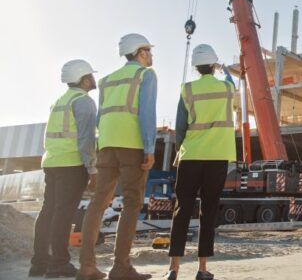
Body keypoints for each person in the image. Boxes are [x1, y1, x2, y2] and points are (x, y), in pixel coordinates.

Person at [76, 34, 157, 280]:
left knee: (98, 203)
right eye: (149, 51)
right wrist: (150, 147)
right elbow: (147, 114)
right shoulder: (146, 75)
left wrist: (101, 147)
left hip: (107, 145)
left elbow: (101, 118)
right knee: (132, 202)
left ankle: (86, 266)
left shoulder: (108, 80)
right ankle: (120, 267)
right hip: (131, 145)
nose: (151, 55)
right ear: (141, 53)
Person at [163, 44, 236, 280]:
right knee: (209, 210)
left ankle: (173, 269)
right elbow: (232, 83)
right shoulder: (226, 88)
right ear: (214, 65)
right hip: (217, 156)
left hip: (191, 155)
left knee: (182, 209)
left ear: (195, 67)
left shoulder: (187, 89)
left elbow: (181, 126)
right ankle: (202, 269)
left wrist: (179, 151)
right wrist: (224, 70)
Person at [29, 60, 98, 278]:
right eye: (91, 76)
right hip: (71, 164)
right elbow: (86, 140)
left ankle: (39, 263)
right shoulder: (84, 102)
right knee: (63, 214)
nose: (93, 79)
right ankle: (59, 262)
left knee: (47, 212)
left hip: (52, 162)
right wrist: (92, 169)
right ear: (85, 79)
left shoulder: (58, 102)